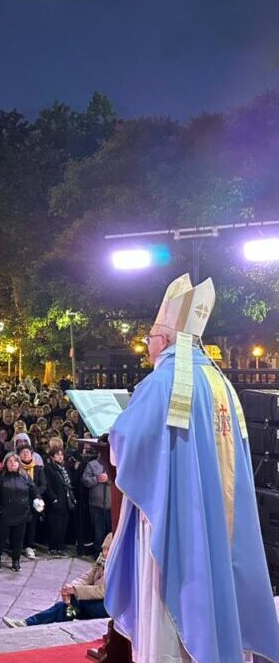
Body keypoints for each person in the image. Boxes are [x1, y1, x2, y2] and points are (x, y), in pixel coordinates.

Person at [105, 274, 279, 662]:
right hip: (217, 521)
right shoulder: (220, 383)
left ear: (164, 339)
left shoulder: (164, 380)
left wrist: (114, 433)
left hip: (175, 522)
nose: (146, 344)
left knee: (170, 609)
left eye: (149, 336)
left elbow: (128, 443)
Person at [3, 533, 113, 627]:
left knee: (72, 604)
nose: (105, 552)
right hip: (94, 600)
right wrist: (71, 587)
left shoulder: (116, 567)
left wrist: (75, 591)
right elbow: (87, 577)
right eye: (104, 549)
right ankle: (29, 623)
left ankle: (29, 623)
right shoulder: (101, 560)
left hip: (106, 606)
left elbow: (101, 590)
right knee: (65, 606)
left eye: (108, 549)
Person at [0, 453, 37, 572]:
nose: (13, 463)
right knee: (0, 538)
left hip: (21, 512)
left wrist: (37, 499)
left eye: (15, 461)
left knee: (18, 539)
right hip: (4, 512)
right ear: (5, 463)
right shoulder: (0, 475)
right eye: (10, 461)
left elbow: (33, 490)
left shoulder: (24, 476)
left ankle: (16, 560)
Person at [42, 446, 75, 556]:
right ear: (52, 457)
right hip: (56, 500)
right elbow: (47, 485)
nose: (60, 457)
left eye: (61, 455)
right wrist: (54, 499)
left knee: (64, 524)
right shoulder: (49, 468)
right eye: (57, 455)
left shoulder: (65, 468)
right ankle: (53, 547)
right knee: (54, 524)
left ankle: (60, 546)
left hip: (66, 500)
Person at [81, 443, 111, 553]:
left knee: (110, 530)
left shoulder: (114, 464)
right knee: (98, 531)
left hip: (111, 504)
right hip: (96, 503)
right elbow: (85, 480)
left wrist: (109, 479)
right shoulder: (92, 464)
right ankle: (97, 552)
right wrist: (97, 479)